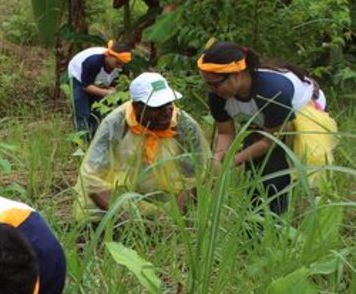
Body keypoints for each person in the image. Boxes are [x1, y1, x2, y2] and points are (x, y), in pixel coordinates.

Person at [197, 41, 338, 214]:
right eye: (208, 84)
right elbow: (225, 132)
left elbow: (269, 142)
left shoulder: (272, 92)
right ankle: (256, 217)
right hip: (262, 120)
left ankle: (279, 217)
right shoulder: (217, 97)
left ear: (237, 74)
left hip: (301, 112)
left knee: (273, 169)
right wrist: (218, 158)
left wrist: (233, 161)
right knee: (255, 172)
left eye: (215, 84)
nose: (212, 89)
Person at [74, 72, 209, 221]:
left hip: (170, 196)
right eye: (157, 106)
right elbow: (93, 179)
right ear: (137, 107)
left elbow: (198, 177)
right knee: (93, 212)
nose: (167, 112)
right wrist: (127, 219)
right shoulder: (115, 124)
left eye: (169, 103)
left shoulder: (185, 126)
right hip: (123, 195)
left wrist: (172, 217)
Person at [67, 40, 133, 138]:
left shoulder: (122, 68)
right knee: (82, 111)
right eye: (117, 63)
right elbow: (86, 86)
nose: (120, 66)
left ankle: (93, 138)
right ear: (108, 55)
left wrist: (113, 90)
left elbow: (117, 84)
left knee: (97, 111)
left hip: (100, 81)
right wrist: (106, 93)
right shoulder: (93, 62)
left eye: (122, 64)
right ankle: (82, 141)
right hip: (79, 77)